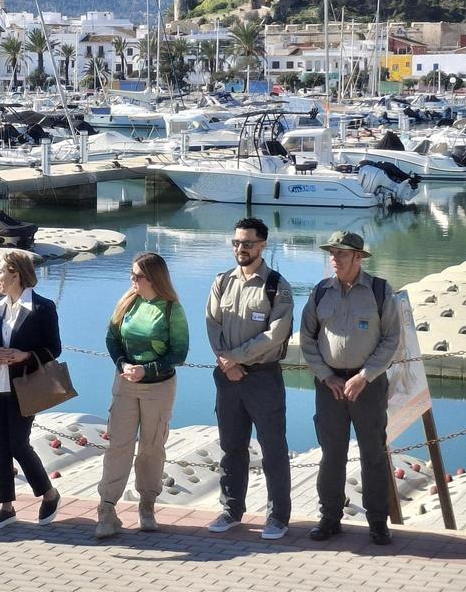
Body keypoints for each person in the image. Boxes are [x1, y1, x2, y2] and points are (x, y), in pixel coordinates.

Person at [300, 231, 402, 547]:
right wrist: (325, 375)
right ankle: (330, 518)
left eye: (342, 253)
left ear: (358, 257)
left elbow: (391, 340)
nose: (335, 258)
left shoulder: (380, 291)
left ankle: (378, 524)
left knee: (373, 455)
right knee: (332, 455)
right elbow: (307, 339)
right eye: (332, 252)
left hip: (367, 386)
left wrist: (365, 376)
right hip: (329, 386)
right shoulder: (320, 292)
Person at [205, 217, 294, 540]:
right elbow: (212, 324)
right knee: (231, 448)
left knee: (273, 450)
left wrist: (236, 358)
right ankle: (231, 510)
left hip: (263, 379)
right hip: (228, 378)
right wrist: (226, 361)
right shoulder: (223, 282)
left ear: (263, 245)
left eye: (247, 243)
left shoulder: (276, 287)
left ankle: (278, 517)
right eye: (237, 242)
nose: (240, 249)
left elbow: (275, 334)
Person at [95, 252, 189, 538]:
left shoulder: (172, 309)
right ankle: (107, 509)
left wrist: (147, 370)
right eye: (131, 275)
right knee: (118, 446)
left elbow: (179, 353)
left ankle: (147, 505)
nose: (132, 280)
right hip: (125, 384)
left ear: (153, 278)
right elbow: (112, 338)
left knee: (151, 447)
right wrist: (124, 364)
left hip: (158, 388)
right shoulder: (127, 301)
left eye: (137, 276)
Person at [0, 251, 62, 530]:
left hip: (24, 387)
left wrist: (25, 355)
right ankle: (6, 506)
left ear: (16, 274)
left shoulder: (43, 308)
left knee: (18, 443)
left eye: (1, 271)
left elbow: (54, 348)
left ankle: (49, 493)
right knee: (0, 447)